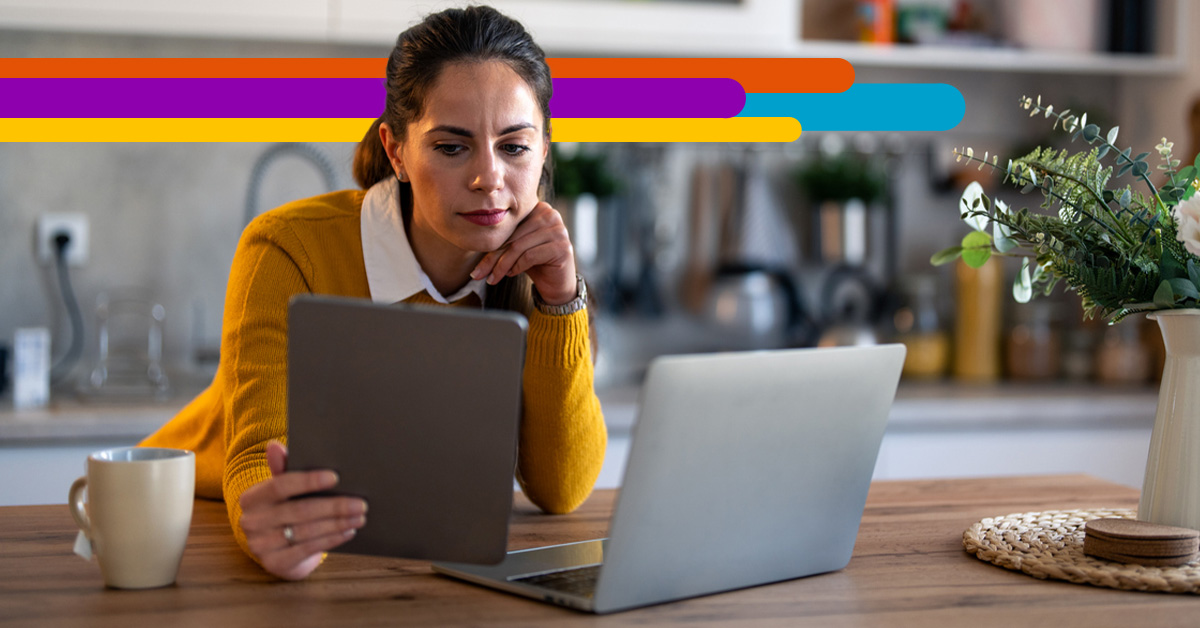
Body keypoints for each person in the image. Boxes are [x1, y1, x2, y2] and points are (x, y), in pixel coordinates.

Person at [140, 5, 607, 581]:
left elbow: (562, 489)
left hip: (399, 550)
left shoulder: (537, 267)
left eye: (514, 147)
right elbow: (260, 452)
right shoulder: (287, 248)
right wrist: (280, 525)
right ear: (396, 152)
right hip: (189, 521)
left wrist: (561, 298)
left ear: (542, 151)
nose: (490, 178)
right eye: (452, 147)